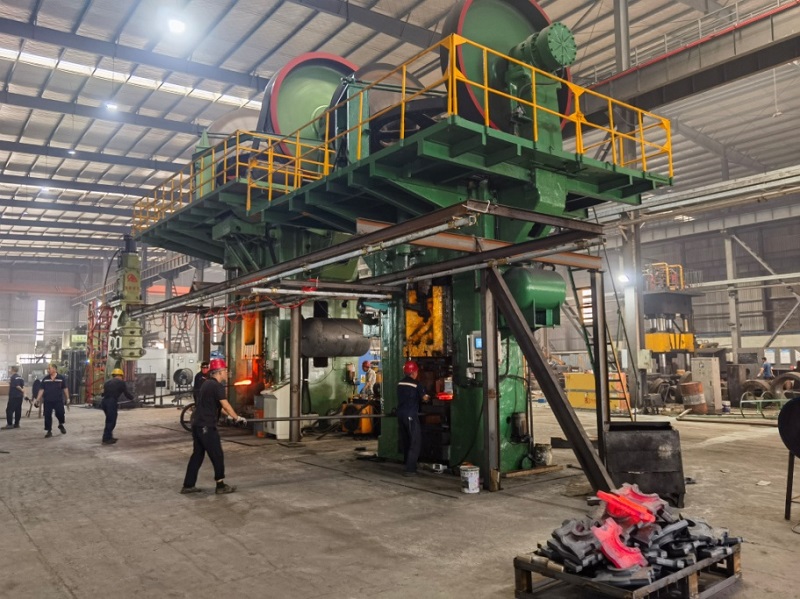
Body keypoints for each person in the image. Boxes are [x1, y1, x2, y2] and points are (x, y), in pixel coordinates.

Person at [181, 358, 246, 495]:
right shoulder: (217, 386)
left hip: (197, 424)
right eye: (225, 371)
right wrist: (237, 418)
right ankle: (220, 485)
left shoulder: (206, 384)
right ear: (220, 372)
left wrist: (229, 416)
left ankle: (188, 485)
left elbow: (215, 406)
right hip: (206, 426)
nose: (226, 373)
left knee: (197, 455)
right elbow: (225, 405)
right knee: (217, 454)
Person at [396, 360, 429, 477]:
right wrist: (427, 396)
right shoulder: (416, 384)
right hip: (410, 415)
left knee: (406, 440)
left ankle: (407, 463)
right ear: (414, 372)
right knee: (415, 441)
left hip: (400, 415)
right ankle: (410, 469)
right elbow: (425, 398)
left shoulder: (399, 383)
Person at [101, 368, 133, 445]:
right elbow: (126, 393)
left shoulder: (107, 383)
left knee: (109, 420)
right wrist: (132, 398)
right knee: (111, 421)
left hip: (104, 402)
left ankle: (109, 437)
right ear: (120, 375)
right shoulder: (121, 383)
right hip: (111, 403)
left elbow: (102, 394)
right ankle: (106, 439)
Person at [36, 363, 69, 438]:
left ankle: (60, 424)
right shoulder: (45, 379)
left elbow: (65, 388)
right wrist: (37, 399)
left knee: (60, 413)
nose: (48, 370)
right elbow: (41, 390)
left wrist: (68, 398)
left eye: (49, 368)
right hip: (48, 400)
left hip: (58, 400)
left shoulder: (61, 378)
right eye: (48, 369)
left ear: (54, 369)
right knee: (47, 415)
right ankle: (49, 431)